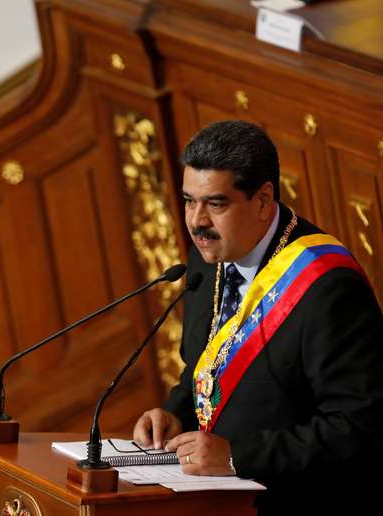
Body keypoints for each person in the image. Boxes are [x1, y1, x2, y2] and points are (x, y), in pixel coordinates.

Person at [132, 120, 383, 512]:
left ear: (263, 200)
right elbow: (202, 368)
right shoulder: (207, 258)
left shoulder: (327, 287)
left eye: (216, 204)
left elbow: (358, 426)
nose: (197, 221)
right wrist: (174, 413)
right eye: (188, 201)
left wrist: (236, 458)